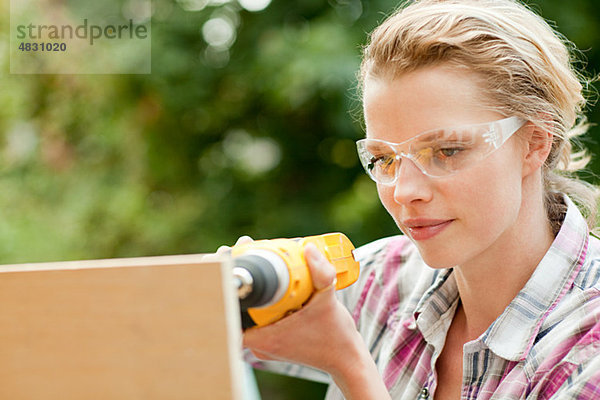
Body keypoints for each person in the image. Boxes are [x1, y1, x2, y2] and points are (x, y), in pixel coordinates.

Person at [230, 0, 600, 398]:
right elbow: (171, 335)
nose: (405, 191)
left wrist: (349, 366)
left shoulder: (586, 349)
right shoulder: (382, 282)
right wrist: (209, 292)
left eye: (447, 151)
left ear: (534, 143)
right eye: (383, 158)